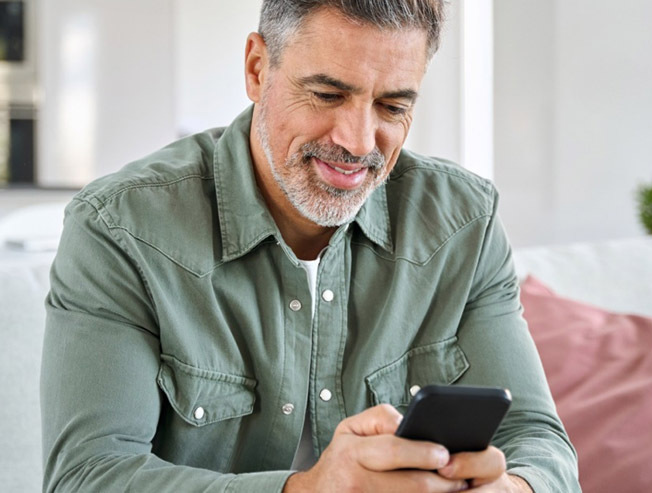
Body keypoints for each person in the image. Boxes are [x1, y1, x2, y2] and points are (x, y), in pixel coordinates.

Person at [40, 1, 580, 491]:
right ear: (257, 68)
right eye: (327, 94)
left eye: (392, 107)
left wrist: (511, 488)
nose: (358, 142)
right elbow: (88, 476)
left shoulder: (465, 225)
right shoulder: (119, 229)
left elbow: (541, 443)